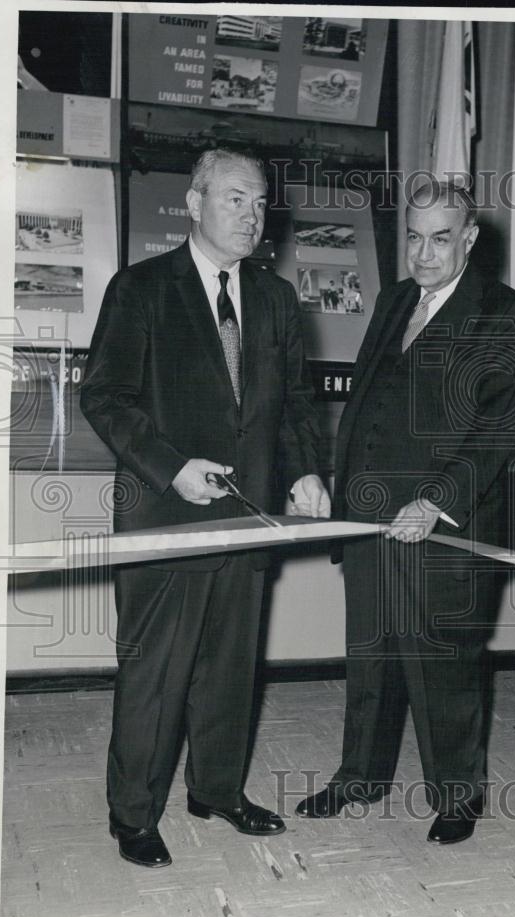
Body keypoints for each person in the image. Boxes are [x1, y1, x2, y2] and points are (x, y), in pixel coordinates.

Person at [81, 149, 330, 867]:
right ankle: (133, 815)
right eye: (235, 200)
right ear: (193, 204)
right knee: (154, 671)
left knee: (230, 664)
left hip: (248, 519)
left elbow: (294, 406)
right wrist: (170, 467)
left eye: (259, 203)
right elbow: (104, 396)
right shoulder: (140, 290)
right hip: (163, 516)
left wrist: (306, 471)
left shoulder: (277, 300)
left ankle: (216, 790)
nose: (252, 216)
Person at [296, 180, 515, 845]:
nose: (423, 254)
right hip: (371, 516)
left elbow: (501, 429)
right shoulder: (397, 298)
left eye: (440, 239)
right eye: (413, 236)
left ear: (468, 239)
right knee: (369, 653)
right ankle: (361, 777)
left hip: (442, 523)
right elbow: (370, 400)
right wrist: (341, 483)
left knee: (443, 662)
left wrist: (435, 500)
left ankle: (456, 795)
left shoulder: (505, 315)